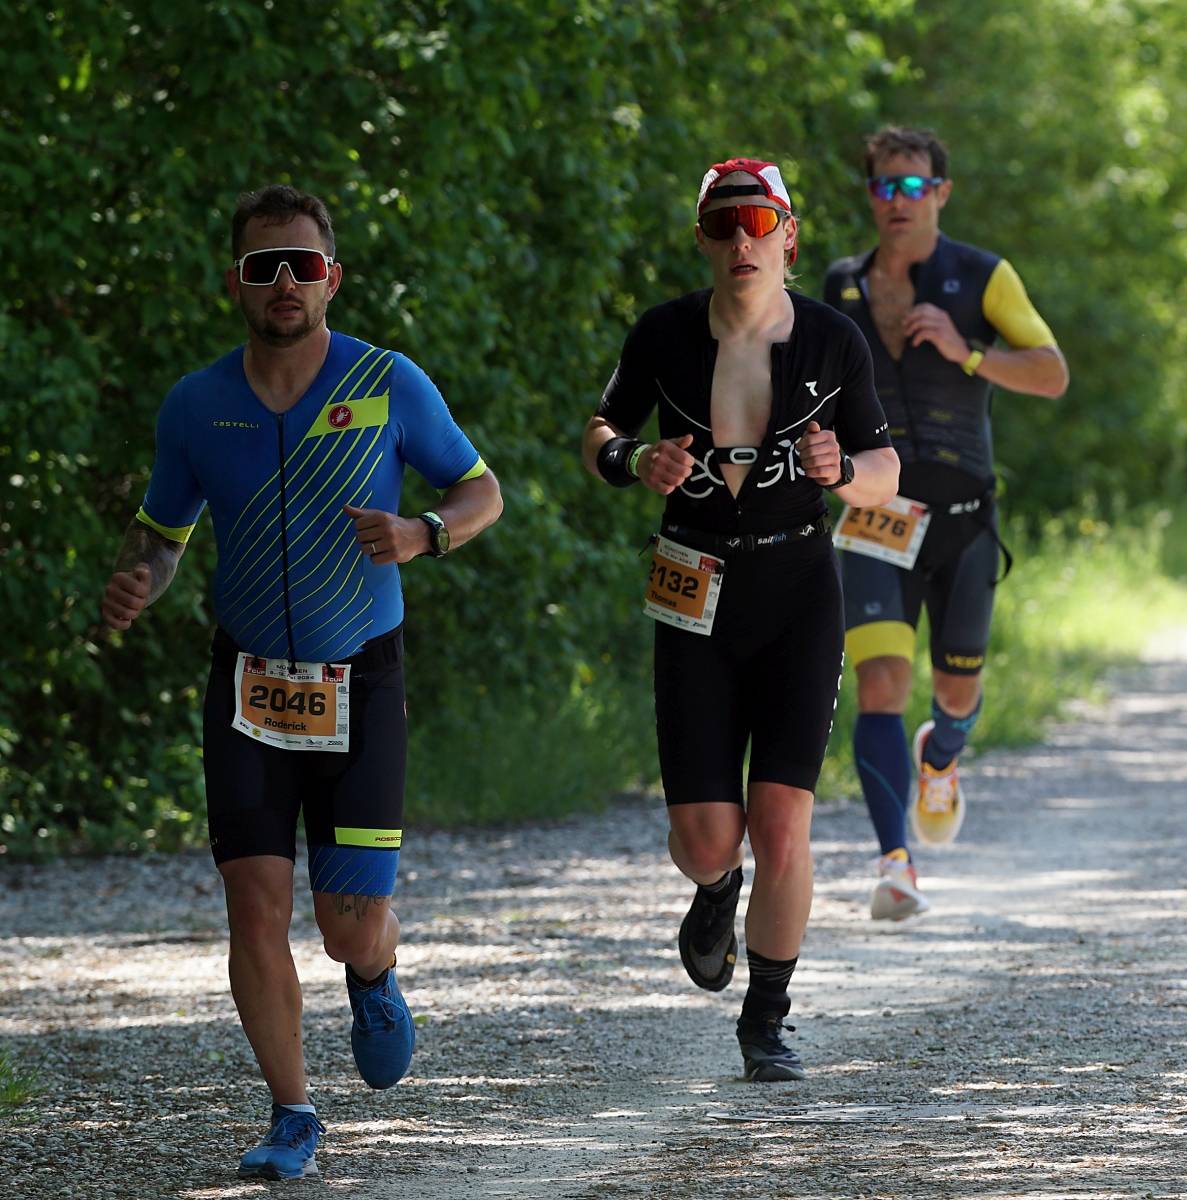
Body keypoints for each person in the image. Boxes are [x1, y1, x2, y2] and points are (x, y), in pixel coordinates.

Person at [99, 185, 503, 1179]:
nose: (284, 283)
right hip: (245, 682)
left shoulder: (387, 380)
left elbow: (481, 489)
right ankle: (292, 1113)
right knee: (251, 902)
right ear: (233, 281)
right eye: (263, 266)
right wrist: (138, 581)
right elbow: (163, 534)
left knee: (345, 919)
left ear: (333, 277)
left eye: (303, 265)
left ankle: (374, 971)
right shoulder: (196, 405)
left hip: (360, 675)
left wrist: (424, 534)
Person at [581, 158, 900, 1079]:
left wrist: (842, 470)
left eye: (758, 222)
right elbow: (600, 431)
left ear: (789, 235)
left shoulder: (835, 341)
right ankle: (714, 890)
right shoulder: (664, 333)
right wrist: (635, 460)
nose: (740, 240)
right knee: (707, 838)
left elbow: (886, 474)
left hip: (797, 587)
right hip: (691, 586)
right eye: (722, 225)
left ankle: (765, 1022)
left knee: (783, 824)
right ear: (702, 240)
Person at [822, 126, 1067, 921]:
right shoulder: (842, 284)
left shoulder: (982, 277)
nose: (899, 201)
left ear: (940, 193)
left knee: (957, 694)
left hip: (963, 520)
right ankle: (896, 865)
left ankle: (944, 755)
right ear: (870, 196)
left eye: (913, 186)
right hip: (874, 516)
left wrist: (968, 355)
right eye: (884, 188)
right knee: (881, 685)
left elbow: (1051, 373)